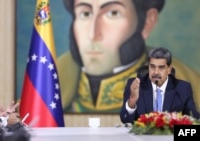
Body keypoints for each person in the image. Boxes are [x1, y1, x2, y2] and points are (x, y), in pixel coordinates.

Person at [58, 0, 200, 113]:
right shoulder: (51, 80)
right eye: (85, 14)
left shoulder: (187, 85)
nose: (92, 34)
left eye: (113, 13)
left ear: (147, 22)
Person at [120, 47, 200, 124]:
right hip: (144, 136)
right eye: (152, 67)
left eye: (161, 67)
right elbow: (125, 119)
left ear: (169, 70)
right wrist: (132, 101)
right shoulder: (136, 86)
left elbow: (193, 117)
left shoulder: (183, 88)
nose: (156, 72)